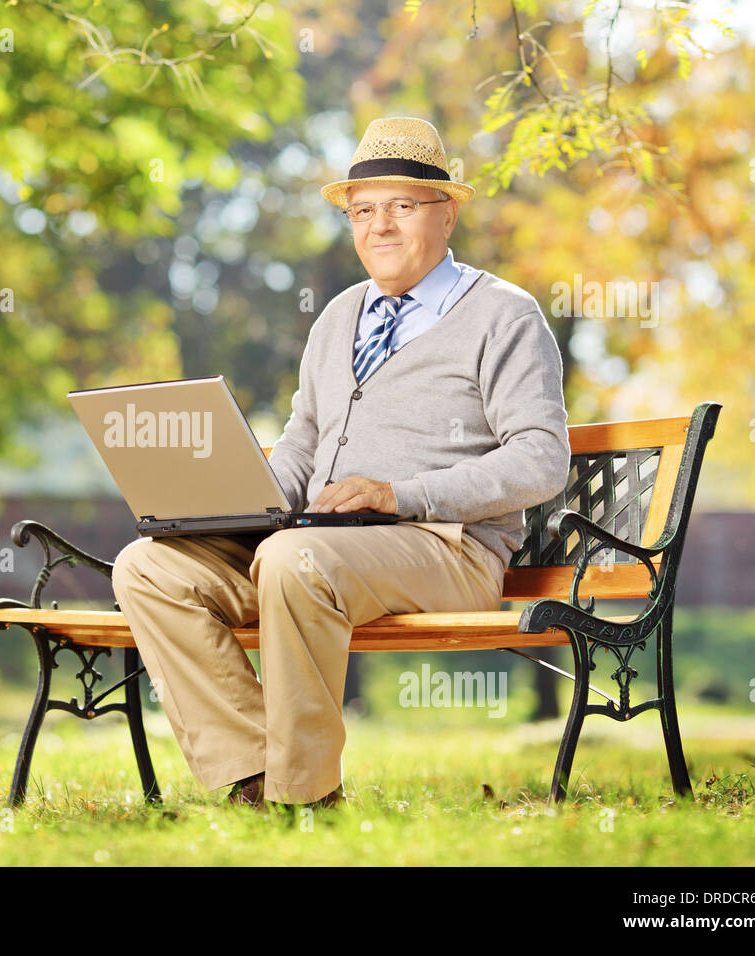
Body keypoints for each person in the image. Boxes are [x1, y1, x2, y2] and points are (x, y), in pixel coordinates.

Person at [111, 117, 571, 812]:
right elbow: (301, 444)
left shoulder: (504, 315)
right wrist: (231, 504)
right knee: (147, 566)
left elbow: (541, 459)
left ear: (446, 213)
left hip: (447, 549)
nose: (378, 226)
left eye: (401, 206)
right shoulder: (337, 317)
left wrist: (399, 494)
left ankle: (305, 795)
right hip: (310, 547)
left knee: (298, 561)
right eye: (363, 211)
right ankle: (254, 775)